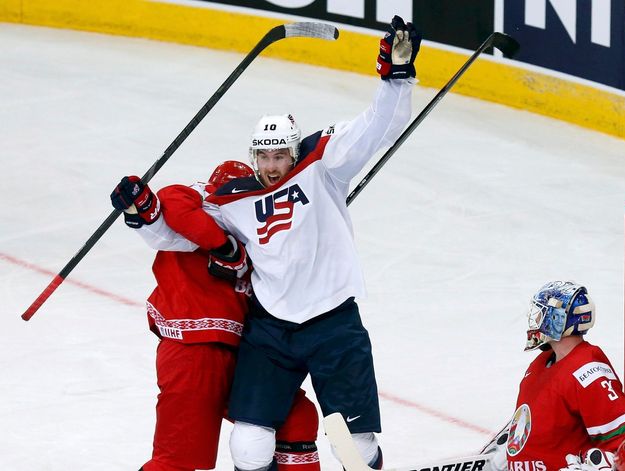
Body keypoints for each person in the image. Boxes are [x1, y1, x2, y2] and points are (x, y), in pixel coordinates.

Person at [118, 14, 421, 471]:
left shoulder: (324, 166)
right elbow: (177, 236)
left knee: (353, 445)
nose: (273, 164)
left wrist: (395, 79)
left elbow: (377, 127)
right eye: (264, 155)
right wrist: (140, 211)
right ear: (252, 155)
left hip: (332, 322)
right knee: (249, 443)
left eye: (280, 154)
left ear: (294, 150)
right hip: (272, 329)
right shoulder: (233, 199)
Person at [110, 161, 320, 471]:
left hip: (248, 356)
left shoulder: (263, 235)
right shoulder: (199, 218)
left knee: (296, 418)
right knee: (178, 458)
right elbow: (165, 217)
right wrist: (136, 206)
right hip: (194, 352)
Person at [483, 281, 625, 471]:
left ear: (557, 319)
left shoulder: (587, 370)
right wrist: (513, 451)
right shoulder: (539, 365)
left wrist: (604, 465)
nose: (536, 321)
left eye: (541, 315)